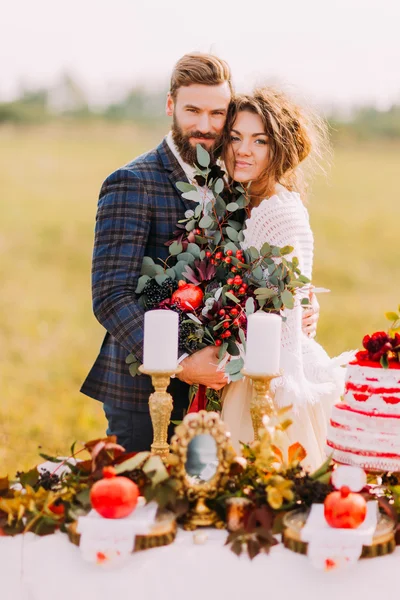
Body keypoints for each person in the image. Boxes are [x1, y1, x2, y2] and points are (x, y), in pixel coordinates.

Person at [81, 54, 320, 453]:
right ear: (171, 105)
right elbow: (111, 295)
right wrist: (181, 360)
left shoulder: (237, 176)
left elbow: (256, 265)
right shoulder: (132, 182)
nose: (205, 126)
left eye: (217, 113)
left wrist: (296, 305)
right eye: (193, 110)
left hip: (225, 390)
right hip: (145, 391)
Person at [220, 88, 351, 470]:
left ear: (278, 149)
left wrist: (278, 395)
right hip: (247, 359)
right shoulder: (244, 199)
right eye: (235, 137)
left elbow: (284, 315)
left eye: (259, 141)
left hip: (269, 371)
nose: (243, 150)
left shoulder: (278, 211)